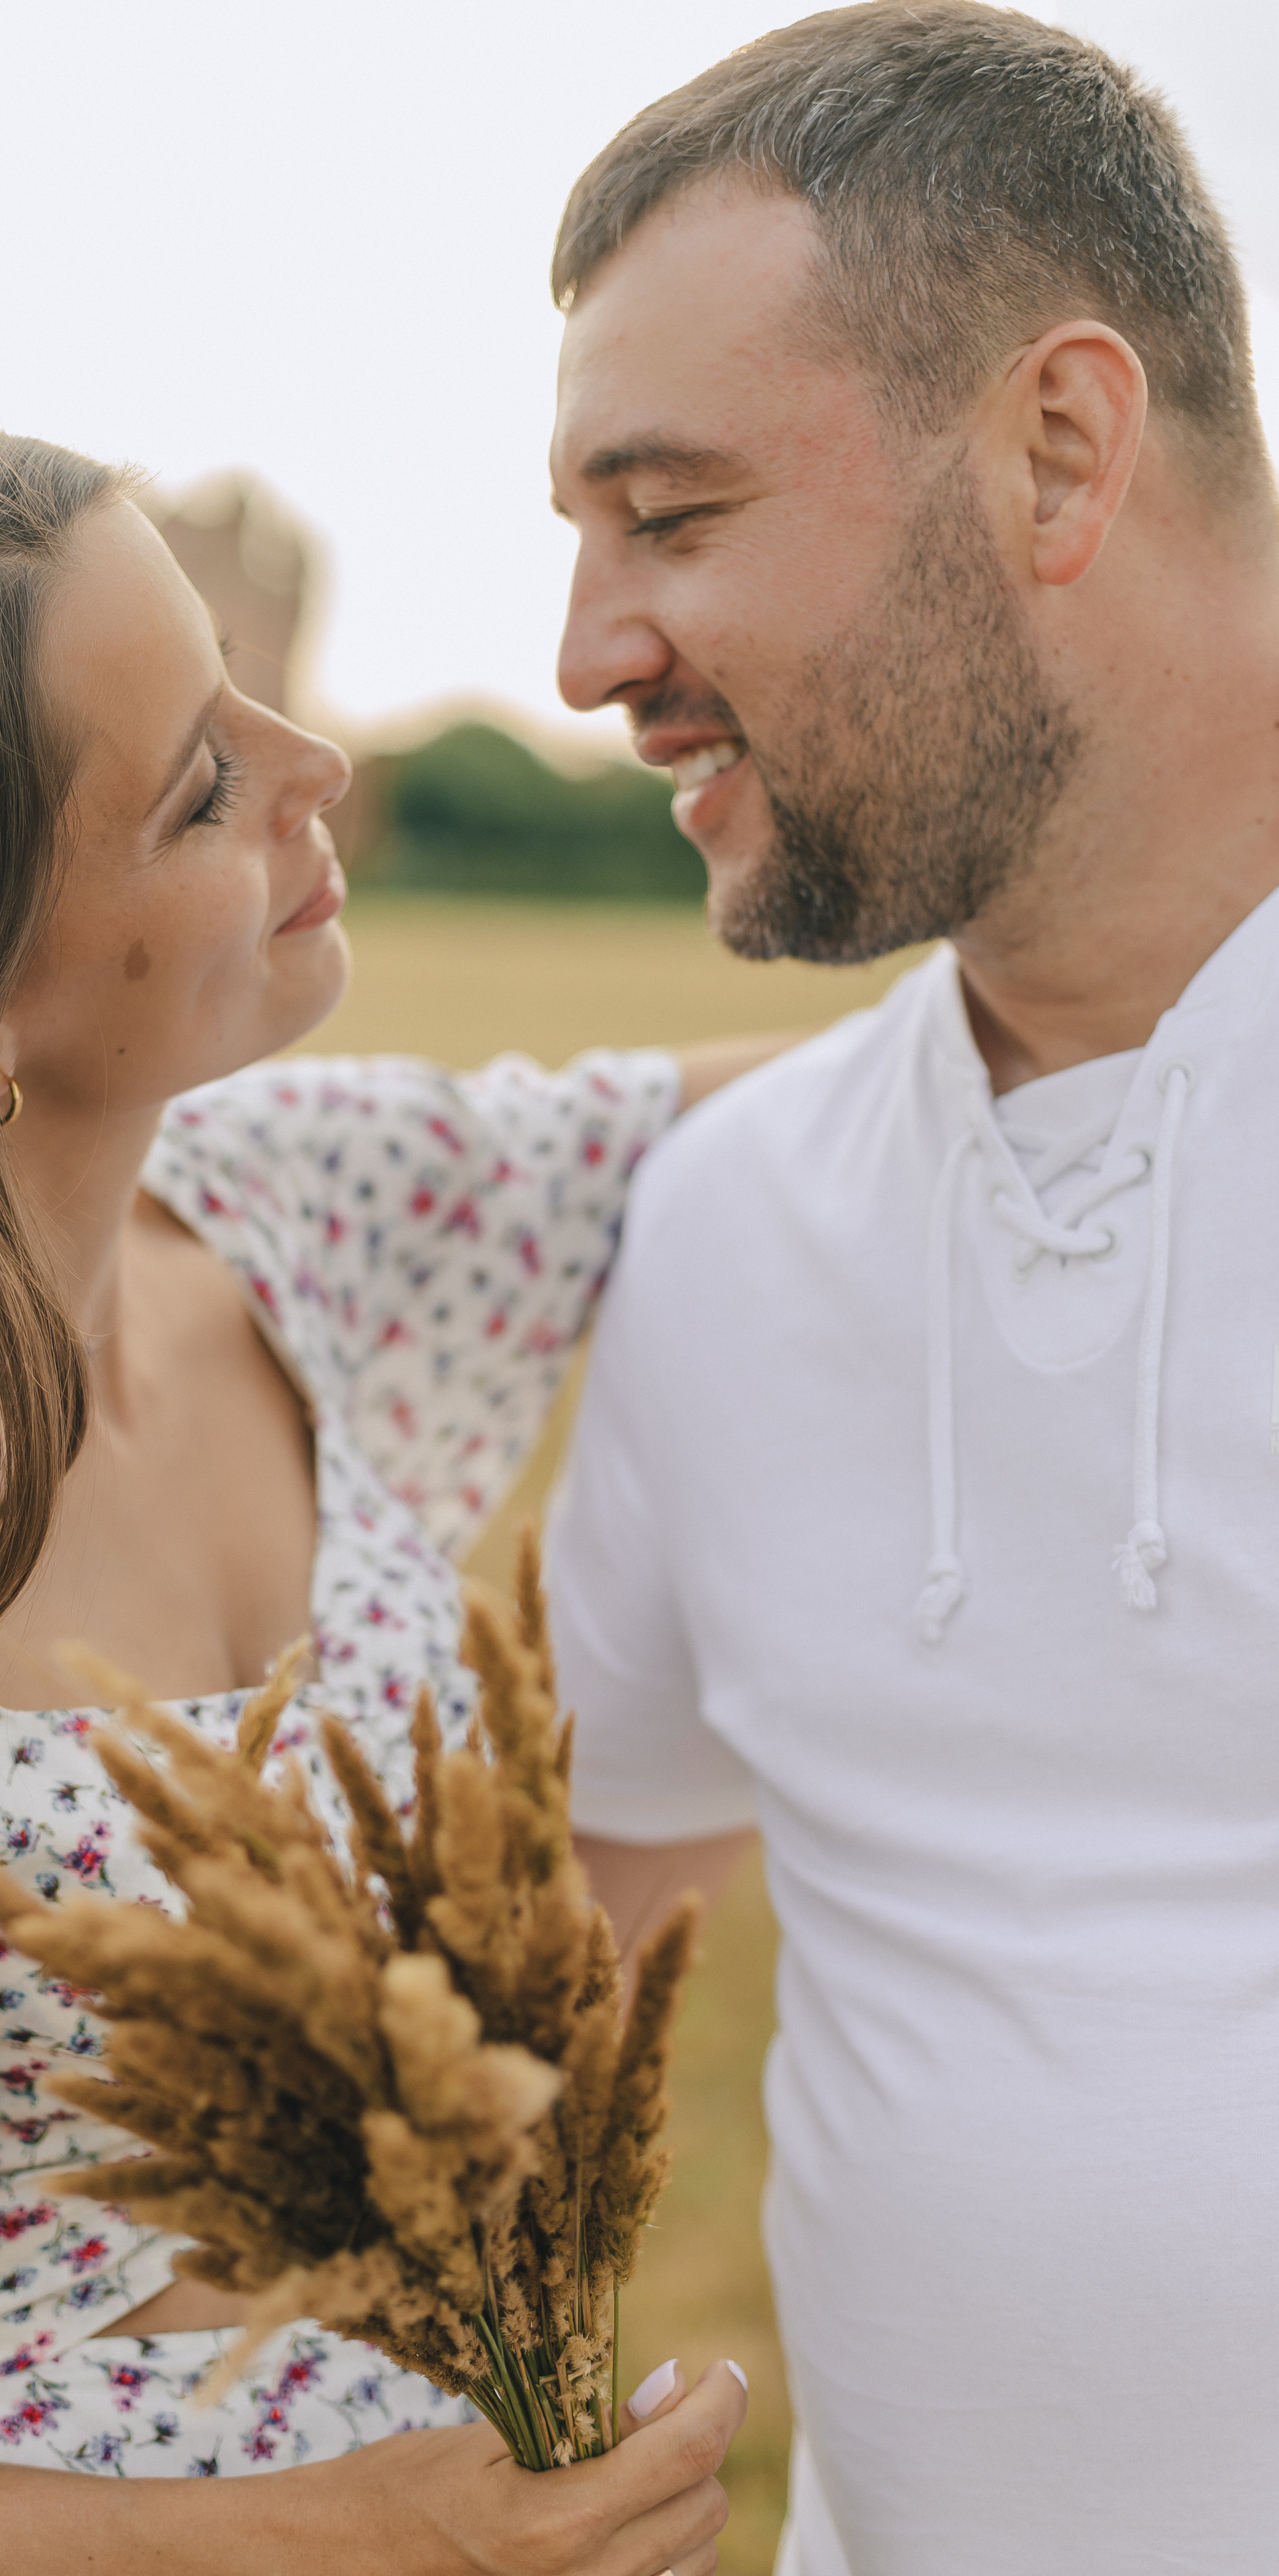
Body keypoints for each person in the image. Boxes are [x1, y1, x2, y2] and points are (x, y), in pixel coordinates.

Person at [0, 427, 754, 2572]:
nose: (319, 767)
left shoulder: (290, 1220)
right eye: (205, 778)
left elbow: (886, 1101)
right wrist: (323, 2545)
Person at [544, 7, 1279, 2572]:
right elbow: (549, 2017)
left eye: (673, 511)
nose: (588, 647)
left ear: (1059, 453)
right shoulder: (728, 1233)